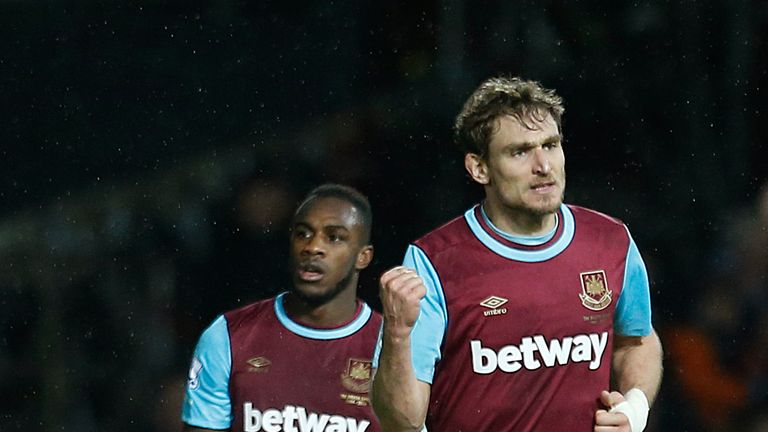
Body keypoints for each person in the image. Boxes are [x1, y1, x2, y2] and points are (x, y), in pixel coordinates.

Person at [372, 76, 663, 431]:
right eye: (520, 151)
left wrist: (634, 407)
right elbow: (400, 423)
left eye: (551, 145)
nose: (543, 165)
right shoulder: (434, 262)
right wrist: (398, 336)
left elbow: (637, 340)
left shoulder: (610, 241)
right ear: (479, 168)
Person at [182, 183, 382, 432]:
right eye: (303, 233)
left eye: (334, 237)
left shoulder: (391, 348)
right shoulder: (228, 336)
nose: (312, 247)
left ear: (363, 256)